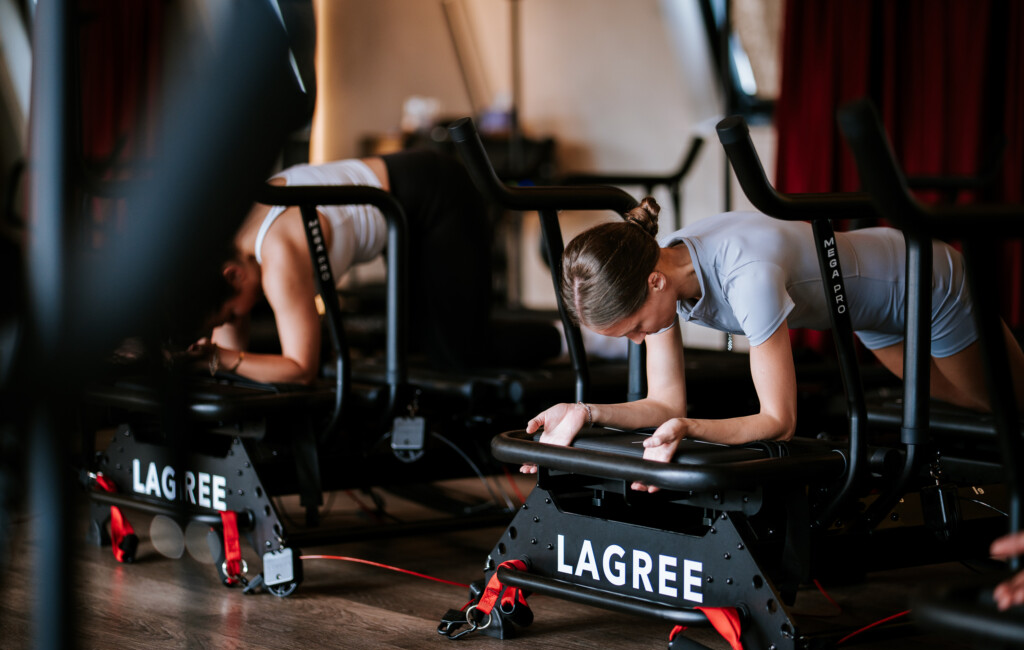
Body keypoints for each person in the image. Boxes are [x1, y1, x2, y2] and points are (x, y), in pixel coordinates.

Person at [525, 197, 1024, 492]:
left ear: (654, 283)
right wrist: (586, 412)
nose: (638, 339)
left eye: (634, 327)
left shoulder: (748, 275)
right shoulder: (659, 263)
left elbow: (779, 422)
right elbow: (663, 403)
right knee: (969, 401)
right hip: (873, 318)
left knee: (1005, 402)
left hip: (927, 284)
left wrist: (689, 428)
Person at [193, 149, 495, 385]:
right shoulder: (232, 250)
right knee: (417, 342)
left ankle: (543, 342)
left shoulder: (278, 257)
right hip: (402, 201)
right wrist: (205, 357)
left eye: (231, 313)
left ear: (233, 275)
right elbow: (226, 358)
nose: (235, 318)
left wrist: (216, 358)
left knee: (456, 355)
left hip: (439, 193)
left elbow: (300, 371)